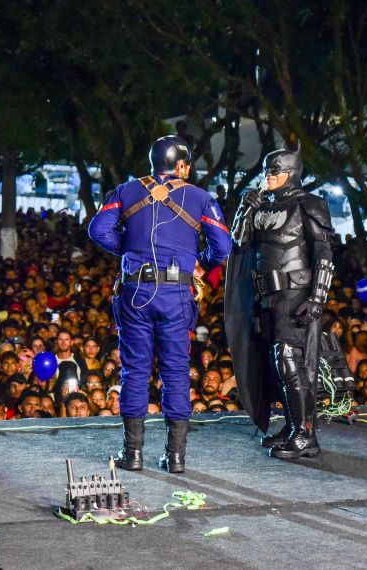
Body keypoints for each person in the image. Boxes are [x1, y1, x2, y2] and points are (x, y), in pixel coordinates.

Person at [88, 135, 231, 473]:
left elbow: (97, 230)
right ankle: (176, 457)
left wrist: (127, 249)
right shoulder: (199, 197)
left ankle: (133, 454)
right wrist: (198, 262)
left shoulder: (126, 191)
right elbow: (223, 247)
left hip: (135, 292)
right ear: (181, 164)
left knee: (134, 371)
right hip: (176, 294)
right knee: (176, 371)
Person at [225, 141, 334, 459]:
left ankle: (304, 433)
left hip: (295, 294)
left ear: (291, 172)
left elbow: (324, 254)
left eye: (274, 171)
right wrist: (247, 208)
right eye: (265, 171)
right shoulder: (262, 205)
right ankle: (292, 426)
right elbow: (239, 242)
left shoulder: (310, 204)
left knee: (289, 360)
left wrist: (317, 297)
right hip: (266, 295)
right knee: (276, 364)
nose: (267, 176)